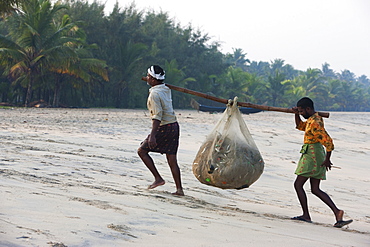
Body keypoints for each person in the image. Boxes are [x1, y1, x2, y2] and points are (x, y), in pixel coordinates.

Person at [291, 97, 352, 228]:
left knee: (298, 184)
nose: (301, 113)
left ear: (308, 109)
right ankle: (337, 212)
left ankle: (306, 215)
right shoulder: (311, 120)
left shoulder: (315, 122)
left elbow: (328, 142)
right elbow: (300, 126)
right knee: (315, 189)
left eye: (302, 111)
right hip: (314, 153)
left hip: (312, 155)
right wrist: (296, 114)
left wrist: (327, 159)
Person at [137, 65, 184, 196]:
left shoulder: (154, 94)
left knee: (142, 151)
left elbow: (157, 116)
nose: (147, 78)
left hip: (164, 127)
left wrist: (153, 136)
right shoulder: (165, 89)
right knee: (172, 158)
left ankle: (158, 179)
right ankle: (179, 189)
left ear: (152, 79)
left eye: (148, 76)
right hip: (174, 126)